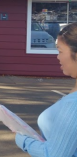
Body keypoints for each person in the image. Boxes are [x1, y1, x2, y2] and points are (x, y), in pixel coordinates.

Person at [15, 22, 77, 157]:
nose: (57, 57)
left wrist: (22, 139)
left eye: (60, 51)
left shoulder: (74, 104)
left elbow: (54, 154)